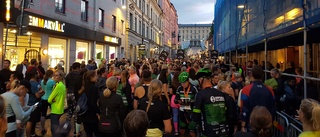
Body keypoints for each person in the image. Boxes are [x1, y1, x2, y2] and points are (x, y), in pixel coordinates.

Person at [192, 68, 235, 137]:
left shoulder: (200, 94)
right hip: (223, 131)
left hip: (208, 132)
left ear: (201, 80)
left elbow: (195, 116)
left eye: (198, 80)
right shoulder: (221, 93)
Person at [240, 66, 276, 131]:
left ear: (252, 75)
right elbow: (273, 107)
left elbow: (244, 108)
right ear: (262, 76)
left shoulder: (246, 89)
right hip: (266, 125)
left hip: (251, 125)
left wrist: (243, 125)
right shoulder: (270, 90)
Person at [174, 71, 198, 137]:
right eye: (181, 83)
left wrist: (189, 102)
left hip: (191, 112)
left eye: (184, 83)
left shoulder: (194, 88)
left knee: (192, 132)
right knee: (182, 131)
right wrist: (178, 101)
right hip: (182, 112)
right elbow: (175, 100)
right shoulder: (179, 88)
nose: (183, 85)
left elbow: (198, 101)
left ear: (188, 80)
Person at [78, 70, 100, 137]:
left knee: (88, 133)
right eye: (95, 76)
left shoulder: (84, 86)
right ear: (91, 77)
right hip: (92, 114)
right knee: (96, 132)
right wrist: (98, 112)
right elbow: (93, 103)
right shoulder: (94, 88)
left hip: (84, 113)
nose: (97, 77)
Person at [48, 70, 66, 137]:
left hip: (56, 109)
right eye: (54, 75)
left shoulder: (58, 86)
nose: (54, 77)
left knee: (54, 128)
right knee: (56, 126)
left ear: (61, 77)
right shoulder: (61, 85)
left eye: (56, 75)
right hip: (59, 108)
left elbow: (49, 99)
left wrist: (51, 100)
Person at [40, 70, 55, 135]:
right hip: (50, 98)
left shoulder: (42, 81)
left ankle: (42, 128)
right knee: (53, 113)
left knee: (43, 114)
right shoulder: (52, 81)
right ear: (51, 74)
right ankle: (53, 127)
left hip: (43, 98)